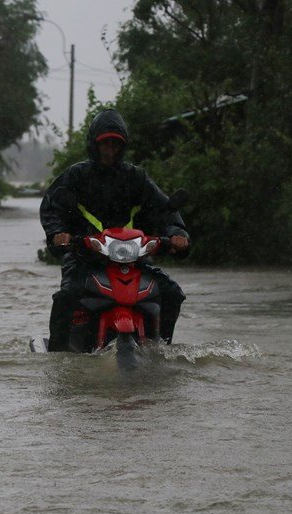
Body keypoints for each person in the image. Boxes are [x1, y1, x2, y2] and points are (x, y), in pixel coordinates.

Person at [39, 108, 190, 351]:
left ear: (123, 147)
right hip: (85, 256)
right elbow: (52, 207)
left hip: (133, 258)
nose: (110, 150)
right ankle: (58, 356)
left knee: (172, 293)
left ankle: (162, 349)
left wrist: (178, 233)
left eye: (115, 145)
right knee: (67, 296)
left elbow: (164, 208)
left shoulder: (136, 177)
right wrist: (59, 234)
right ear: (94, 145)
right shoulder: (76, 175)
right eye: (105, 144)